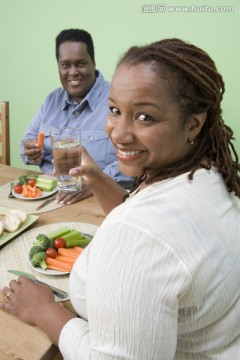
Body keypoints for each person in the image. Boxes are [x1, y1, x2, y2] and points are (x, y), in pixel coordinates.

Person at [2, 38, 240, 359]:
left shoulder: (139, 235)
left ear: (193, 124)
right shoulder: (208, 173)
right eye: (114, 110)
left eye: (145, 117)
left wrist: (45, 312)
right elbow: (143, 220)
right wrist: (98, 178)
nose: (119, 133)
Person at [20, 28, 132, 204]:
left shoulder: (118, 99)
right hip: (48, 196)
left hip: (98, 199)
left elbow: (135, 159)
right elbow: (27, 142)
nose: (73, 72)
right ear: (58, 66)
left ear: (93, 62)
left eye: (80, 63)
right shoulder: (51, 100)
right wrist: (31, 151)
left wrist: (95, 183)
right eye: (65, 65)